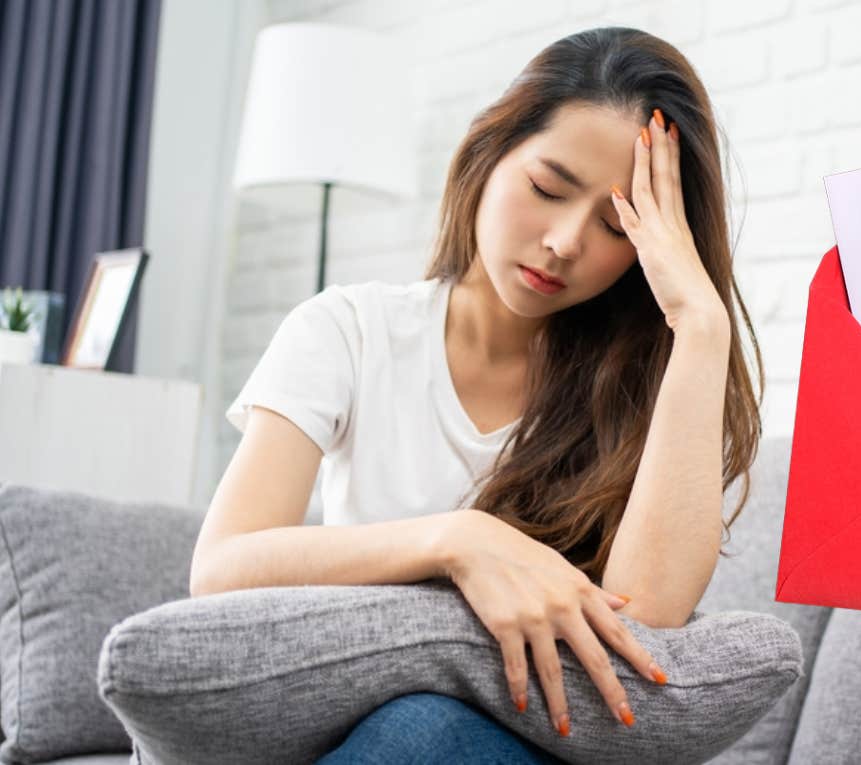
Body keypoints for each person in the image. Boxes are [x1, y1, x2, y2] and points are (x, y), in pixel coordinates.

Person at [190, 25, 765, 763]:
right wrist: (458, 540)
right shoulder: (350, 332)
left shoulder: (648, 385)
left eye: (616, 225)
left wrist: (701, 325)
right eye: (547, 188)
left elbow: (647, 620)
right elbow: (222, 567)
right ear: (488, 154)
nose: (563, 241)